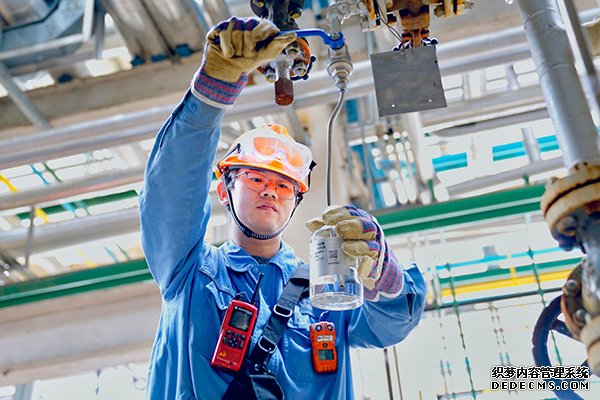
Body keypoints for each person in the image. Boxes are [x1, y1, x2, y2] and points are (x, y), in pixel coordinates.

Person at [140, 16, 426, 400]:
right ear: (225, 191)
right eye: (256, 179)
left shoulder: (326, 291)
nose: (271, 192)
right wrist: (213, 91)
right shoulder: (190, 274)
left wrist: (382, 272)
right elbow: (171, 195)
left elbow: (390, 327)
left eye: (283, 186)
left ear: (296, 201)